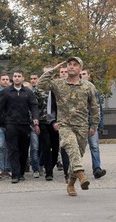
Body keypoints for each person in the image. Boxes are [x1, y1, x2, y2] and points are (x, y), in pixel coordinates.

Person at [38, 57, 100, 196]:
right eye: (69, 65)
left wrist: (94, 124)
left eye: (75, 65)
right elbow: (41, 85)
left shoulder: (88, 86)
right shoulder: (58, 84)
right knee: (71, 147)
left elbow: (95, 107)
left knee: (76, 155)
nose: (71, 67)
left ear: (80, 69)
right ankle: (82, 174)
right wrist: (54, 70)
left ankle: (71, 184)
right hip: (65, 125)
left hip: (82, 126)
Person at [0, 69, 39, 183]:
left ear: (23, 78)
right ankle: (15, 175)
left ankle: (21, 172)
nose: (17, 78)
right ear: (13, 78)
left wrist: (35, 118)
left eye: (19, 76)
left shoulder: (28, 92)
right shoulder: (7, 91)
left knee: (23, 150)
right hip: (11, 124)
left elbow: (33, 106)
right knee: (13, 149)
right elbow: (0, 109)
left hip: (24, 124)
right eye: (15, 76)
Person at [80, 69, 107, 179]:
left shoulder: (93, 90)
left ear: (89, 76)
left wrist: (98, 125)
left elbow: (98, 108)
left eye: (84, 74)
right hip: (79, 124)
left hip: (91, 124)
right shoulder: (75, 89)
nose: (82, 76)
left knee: (94, 146)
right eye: (80, 74)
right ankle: (76, 170)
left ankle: (97, 169)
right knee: (77, 149)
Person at [29, 73, 42, 178]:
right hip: (24, 124)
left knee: (35, 147)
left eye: (35, 78)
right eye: (31, 79)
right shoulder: (26, 93)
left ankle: (37, 168)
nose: (33, 80)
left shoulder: (40, 92)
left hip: (36, 124)